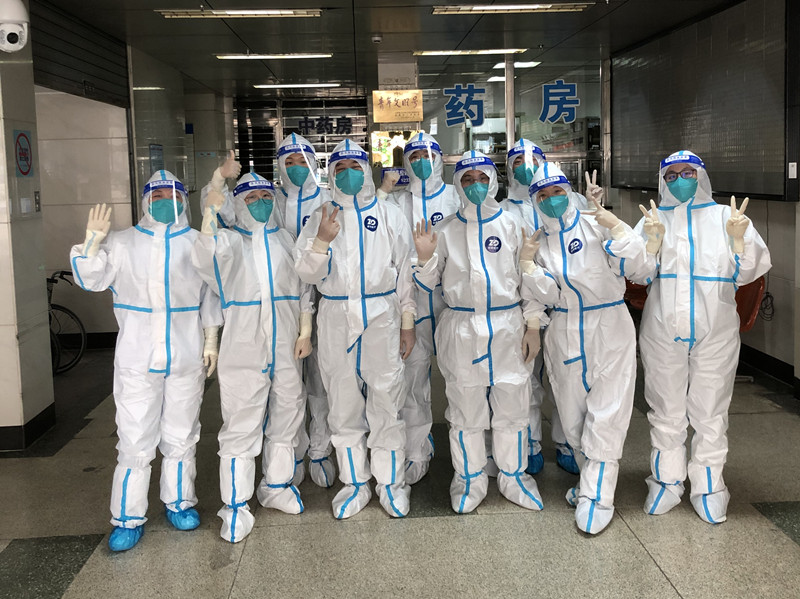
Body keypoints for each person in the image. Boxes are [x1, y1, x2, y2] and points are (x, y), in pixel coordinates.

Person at [70, 171, 222, 552]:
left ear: (183, 201)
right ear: (145, 201)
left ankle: (180, 502)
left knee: (182, 433)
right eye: (157, 195)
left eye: (172, 195)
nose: (165, 201)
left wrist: (211, 340)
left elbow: (210, 295)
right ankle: (127, 516)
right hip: (137, 359)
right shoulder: (123, 243)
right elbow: (91, 280)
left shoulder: (195, 242)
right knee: (135, 438)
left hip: (185, 355)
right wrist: (91, 244)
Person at [631, 151, 771, 524]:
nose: (680, 180)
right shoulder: (653, 218)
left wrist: (740, 243)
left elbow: (747, 273)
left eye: (687, 173)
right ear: (662, 180)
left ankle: (709, 486)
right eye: (671, 175)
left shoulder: (727, 217)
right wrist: (649, 246)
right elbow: (637, 275)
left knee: (711, 410)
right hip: (662, 329)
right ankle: (666, 481)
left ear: (701, 176)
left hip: (716, 330)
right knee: (666, 409)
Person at [412, 150, 544, 514]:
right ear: (457, 184)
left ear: (493, 181)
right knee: (464, 408)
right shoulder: (445, 230)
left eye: (482, 179)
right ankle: (469, 479)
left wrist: (533, 324)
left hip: (507, 325)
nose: (475, 186)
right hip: (462, 327)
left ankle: (514, 477)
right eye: (467, 180)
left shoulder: (512, 224)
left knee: (512, 404)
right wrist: (423, 259)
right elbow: (426, 285)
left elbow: (529, 277)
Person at [521, 162, 649, 534]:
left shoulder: (596, 224)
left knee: (607, 411)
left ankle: (598, 497)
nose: (552, 200)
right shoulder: (539, 242)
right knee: (572, 414)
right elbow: (544, 295)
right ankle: (590, 481)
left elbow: (639, 268)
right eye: (543, 195)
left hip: (608, 325)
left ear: (569, 191)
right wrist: (528, 267)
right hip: (563, 328)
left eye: (557, 192)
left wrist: (616, 226)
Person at [192, 160, 315, 542]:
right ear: (238, 204)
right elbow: (205, 258)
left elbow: (304, 289)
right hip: (244, 347)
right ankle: (235, 505)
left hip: (286, 345)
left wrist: (305, 329)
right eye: (251, 197)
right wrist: (210, 212)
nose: (260, 202)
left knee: (288, 411)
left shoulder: (286, 241)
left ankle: (276, 486)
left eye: (265, 196)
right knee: (241, 423)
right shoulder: (230, 243)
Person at [294, 139, 417, 519]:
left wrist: (408, 323)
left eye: (354, 167)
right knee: (342, 402)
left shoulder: (389, 213)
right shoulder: (319, 215)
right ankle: (354, 483)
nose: (348, 175)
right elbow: (305, 275)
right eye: (340, 169)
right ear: (331, 175)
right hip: (335, 315)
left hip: (382, 313)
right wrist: (321, 241)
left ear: (366, 170)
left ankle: (391, 484)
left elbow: (406, 272)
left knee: (386, 399)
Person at [387, 132, 461, 484]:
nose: (420, 163)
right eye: (413, 157)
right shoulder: (397, 202)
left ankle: (475, 448)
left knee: (463, 379)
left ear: (439, 159)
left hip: (453, 304)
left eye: (426, 156)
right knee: (412, 378)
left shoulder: (456, 195)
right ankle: (417, 449)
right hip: (410, 305)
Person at [503, 138, 579, 476]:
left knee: (567, 378)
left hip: (567, 305)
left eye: (533, 159)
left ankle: (568, 442)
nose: (526, 166)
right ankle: (530, 443)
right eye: (518, 161)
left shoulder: (573, 201)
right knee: (527, 377)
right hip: (524, 302)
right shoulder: (504, 210)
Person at [274, 133, 336, 489]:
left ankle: (320, 449)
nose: (297, 168)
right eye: (290, 162)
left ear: (314, 164)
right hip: (283, 304)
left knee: (319, 381)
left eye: (303, 161)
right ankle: (292, 452)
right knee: (287, 384)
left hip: (325, 300)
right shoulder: (272, 200)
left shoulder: (328, 200)